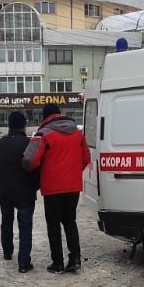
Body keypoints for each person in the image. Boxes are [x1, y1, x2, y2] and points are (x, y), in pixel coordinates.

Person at [22, 102, 90, 274]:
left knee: (53, 225)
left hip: (52, 188)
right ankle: (75, 259)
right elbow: (85, 158)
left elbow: (30, 160)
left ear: (45, 117)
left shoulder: (44, 134)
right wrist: (73, 173)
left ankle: (58, 263)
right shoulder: (77, 133)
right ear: (60, 114)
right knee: (70, 221)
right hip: (73, 187)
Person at [0, 110, 38, 273]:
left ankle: (7, 252)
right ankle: (24, 262)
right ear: (23, 125)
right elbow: (34, 167)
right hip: (25, 191)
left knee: (6, 222)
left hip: (5, 191)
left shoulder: (0, 143)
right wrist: (35, 186)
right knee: (25, 226)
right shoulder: (28, 143)